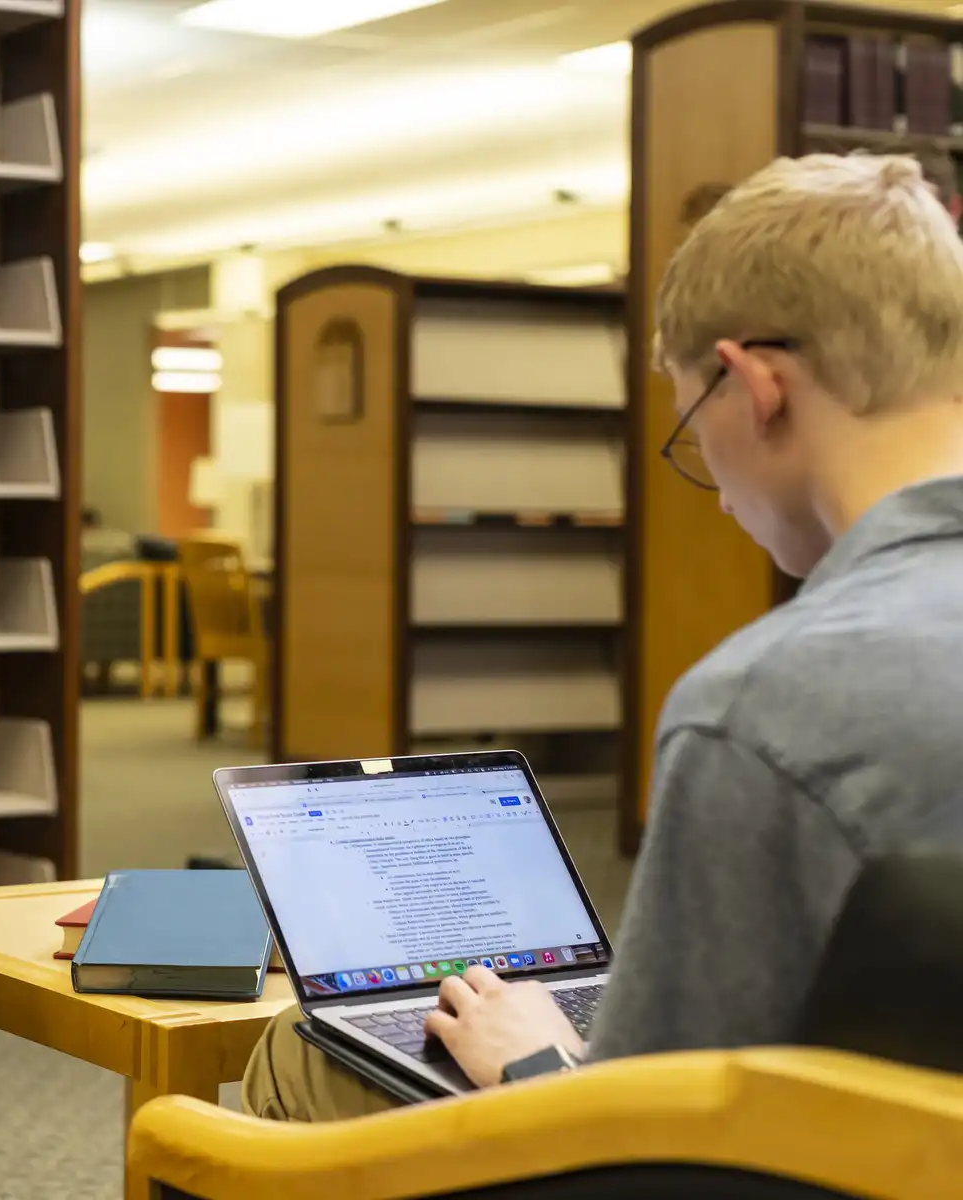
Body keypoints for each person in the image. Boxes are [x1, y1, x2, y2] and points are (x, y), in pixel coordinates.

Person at [245, 151, 963, 1118]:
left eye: (690, 432)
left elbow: (652, 1141)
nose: (709, 483)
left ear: (754, 387)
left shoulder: (765, 704)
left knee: (307, 1054)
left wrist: (539, 1063)